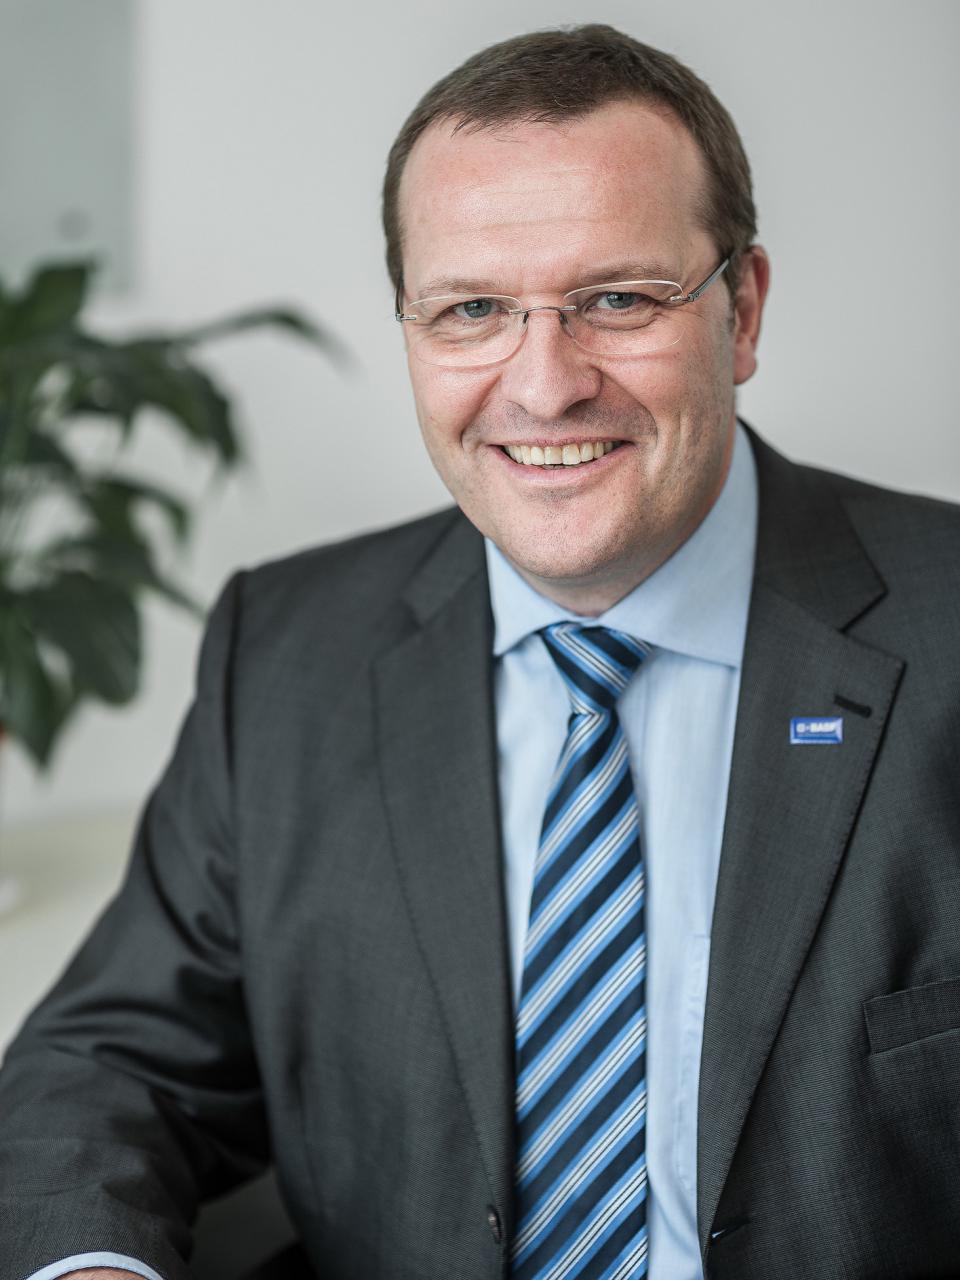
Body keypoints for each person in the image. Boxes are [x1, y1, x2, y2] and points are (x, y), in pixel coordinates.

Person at [1, 22, 958, 1280]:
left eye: (618, 299)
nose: (545, 385)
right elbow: (110, 1061)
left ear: (743, 310)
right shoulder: (284, 654)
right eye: (472, 310)